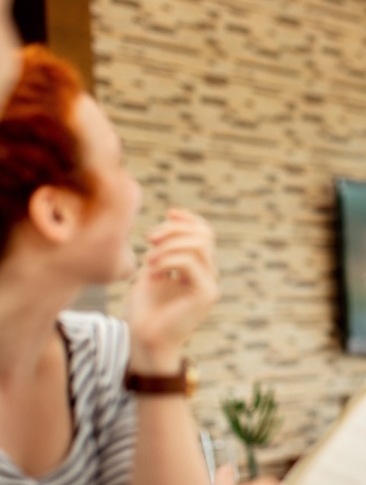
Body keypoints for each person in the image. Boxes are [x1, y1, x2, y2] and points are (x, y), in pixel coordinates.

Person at [0, 44, 220, 484]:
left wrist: (157, 354)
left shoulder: (107, 356)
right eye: (118, 164)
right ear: (57, 213)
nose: (134, 191)